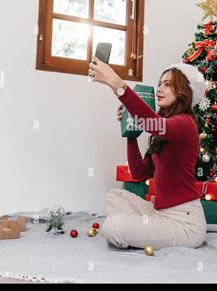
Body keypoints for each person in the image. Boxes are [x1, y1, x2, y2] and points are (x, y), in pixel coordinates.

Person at [88, 57, 207, 250]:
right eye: (160, 83)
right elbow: (138, 172)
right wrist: (130, 132)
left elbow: (152, 124)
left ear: (184, 91)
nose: (159, 89)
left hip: (185, 223)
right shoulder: (164, 131)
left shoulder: (185, 123)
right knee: (115, 195)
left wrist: (116, 84)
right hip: (159, 213)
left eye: (168, 85)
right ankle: (142, 229)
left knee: (112, 227)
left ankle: (134, 229)